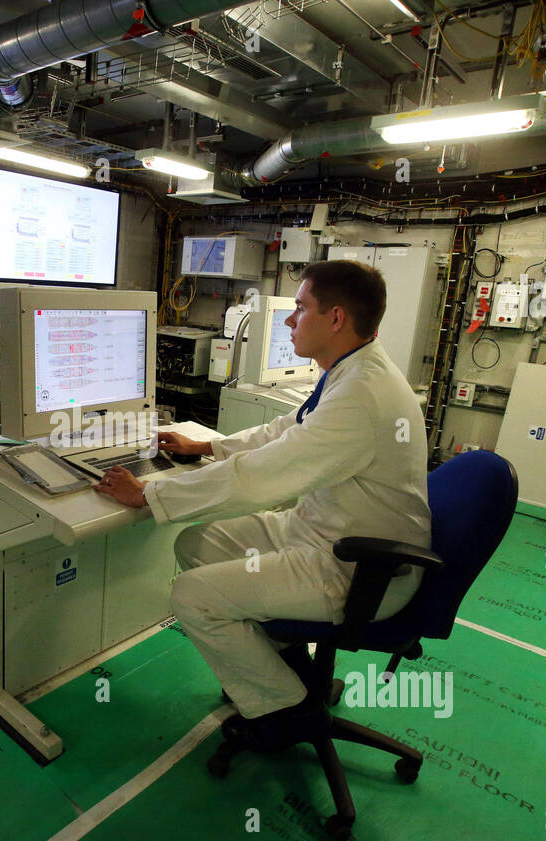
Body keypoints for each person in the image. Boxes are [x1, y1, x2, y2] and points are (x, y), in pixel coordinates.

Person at [93, 259, 431, 750]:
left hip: (359, 568)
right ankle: (288, 673)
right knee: (197, 543)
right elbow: (286, 430)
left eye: (300, 308)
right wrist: (206, 446)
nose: (291, 321)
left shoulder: (362, 393)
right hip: (328, 533)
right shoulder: (354, 370)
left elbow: (262, 478)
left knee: (191, 595)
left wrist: (149, 493)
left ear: (335, 319)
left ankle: (286, 713)